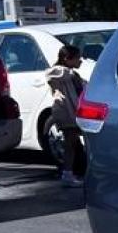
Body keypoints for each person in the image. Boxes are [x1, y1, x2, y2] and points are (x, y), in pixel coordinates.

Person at [45, 44, 86, 187]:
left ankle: (70, 172)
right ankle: (67, 173)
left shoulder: (74, 74)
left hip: (72, 111)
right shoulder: (59, 72)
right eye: (77, 58)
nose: (80, 61)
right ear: (67, 59)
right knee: (70, 143)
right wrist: (71, 72)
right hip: (65, 111)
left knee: (73, 143)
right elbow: (53, 73)